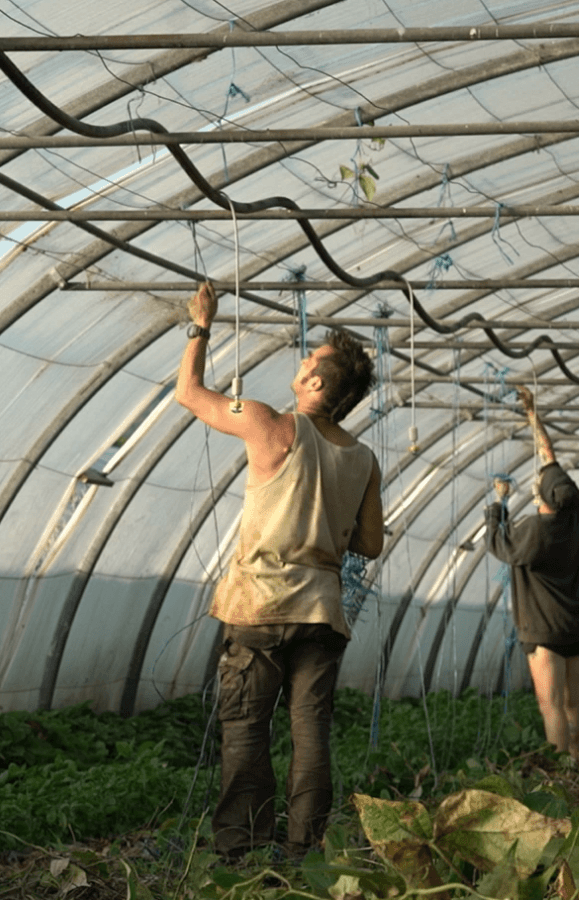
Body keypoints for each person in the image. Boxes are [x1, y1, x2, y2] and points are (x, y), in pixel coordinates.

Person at [176, 281, 384, 860]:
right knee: (309, 731)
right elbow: (370, 543)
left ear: (315, 383)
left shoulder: (270, 423)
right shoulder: (363, 458)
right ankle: (301, 854)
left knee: (245, 728)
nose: (301, 362)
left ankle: (241, 855)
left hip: (259, 606)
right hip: (321, 612)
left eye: (308, 359)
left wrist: (201, 324)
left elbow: (190, 393)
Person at [483, 386, 579, 762]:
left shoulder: (534, 531)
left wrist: (499, 502)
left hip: (543, 628)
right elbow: (550, 458)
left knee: (551, 708)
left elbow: (499, 545)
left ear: (541, 497)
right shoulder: (572, 516)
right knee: (571, 701)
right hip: (573, 623)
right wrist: (533, 415)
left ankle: (562, 774)